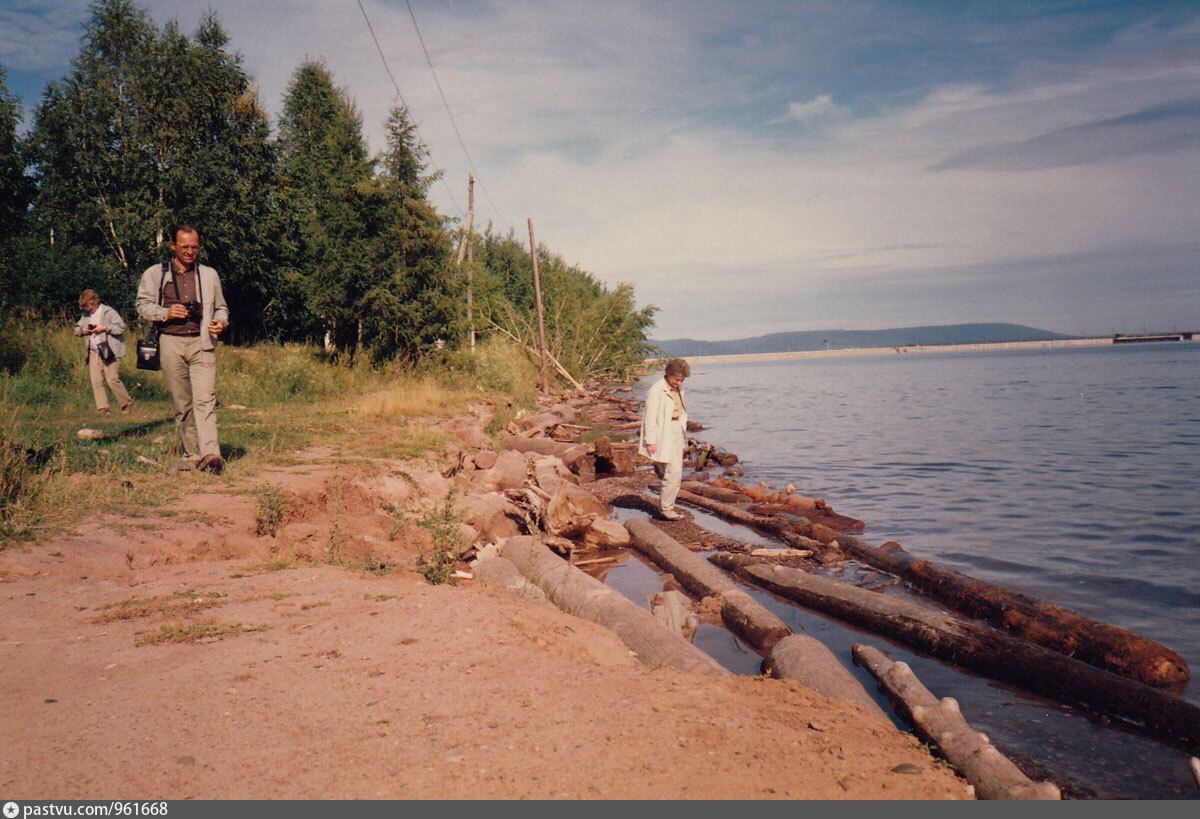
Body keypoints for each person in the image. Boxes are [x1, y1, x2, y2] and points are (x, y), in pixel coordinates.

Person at [136, 225, 229, 473]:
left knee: (205, 400)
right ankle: (192, 454)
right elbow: (142, 305)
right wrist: (166, 313)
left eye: (194, 246)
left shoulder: (209, 275)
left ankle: (211, 454)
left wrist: (220, 322)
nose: (190, 251)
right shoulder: (156, 273)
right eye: (185, 246)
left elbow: (221, 307)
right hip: (170, 342)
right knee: (182, 403)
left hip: (202, 343)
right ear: (174, 246)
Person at [638, 358, 691, 520]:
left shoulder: (677, 388)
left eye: (682, 380)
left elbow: (680, 410)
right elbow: (650, 417)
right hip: (663, 431)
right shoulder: (656, 390)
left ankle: (666, 505)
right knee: (673, 471)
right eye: (677, 379)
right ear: (668, 374)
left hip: (676, 429)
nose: (679, 382)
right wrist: (650, 440)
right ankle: (666, 509)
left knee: (673, 470)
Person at [74, 289, 133, 415]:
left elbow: (121, 327)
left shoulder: (108, 312)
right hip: (94, 351)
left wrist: (105, 328)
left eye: (87, 305)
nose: (86, 308)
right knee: (96, 380)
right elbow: (77, 329)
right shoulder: (85, 315)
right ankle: (102, 408)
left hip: (109, 350)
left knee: (112, 378)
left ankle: (126, 402)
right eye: (84, 306)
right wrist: (82, 331)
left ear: (94, 301)